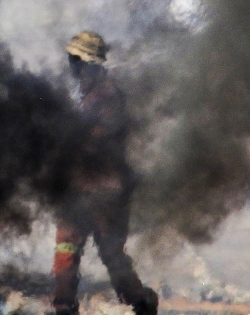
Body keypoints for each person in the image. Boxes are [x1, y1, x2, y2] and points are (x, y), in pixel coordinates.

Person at [53, 32, 157, 315]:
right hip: (79, 187)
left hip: (105, 190)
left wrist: (70, 137)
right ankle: (63, 305)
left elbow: (101, 139)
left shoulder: (108, 96)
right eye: (71, 60)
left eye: (78, 61)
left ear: (93, 65)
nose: (73, 67)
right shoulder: (84, 95)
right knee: (66, 246)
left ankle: (141, 303)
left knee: (111, 254)